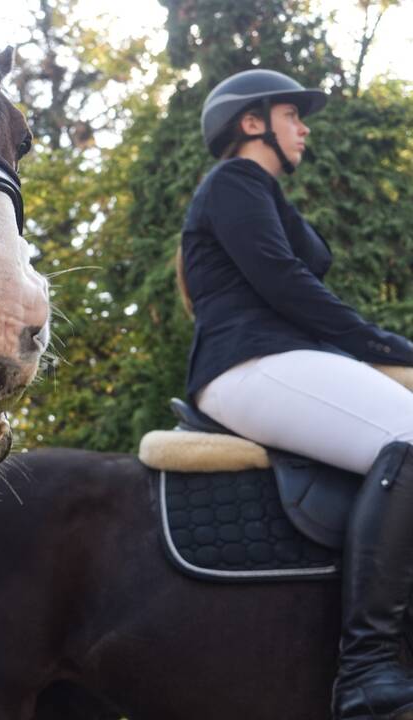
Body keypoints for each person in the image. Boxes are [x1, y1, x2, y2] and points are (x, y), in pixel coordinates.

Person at [181, 68, 413, 720]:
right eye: (293, 115)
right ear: (252, 122)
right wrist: (387, 345)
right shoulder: (234, 182)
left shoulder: (260, 195)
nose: (304, 127)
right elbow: (284, 283)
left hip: (284, 360)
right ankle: (367, 668)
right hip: (250, 363)